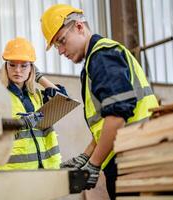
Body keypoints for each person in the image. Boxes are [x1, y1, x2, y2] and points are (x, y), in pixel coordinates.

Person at [40, 4, 159, 199]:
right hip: (131, 152)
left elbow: (117, 117)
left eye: (62, 41)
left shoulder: (102, 56)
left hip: (132, 156)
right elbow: (105, 122)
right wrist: (86, 156)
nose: (61, 51)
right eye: (56, 46)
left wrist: (94, 164)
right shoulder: (96, 59)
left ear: (79, 27)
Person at [0, 37, 67, 170]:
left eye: (24, 65)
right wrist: (22, 123)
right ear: (5, 66)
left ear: (32, 68)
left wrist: (39, 77)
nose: (17, 70)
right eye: (12, 65)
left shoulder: (37, 96)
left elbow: (64, 100)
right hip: (14, 171)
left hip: (46, 168)